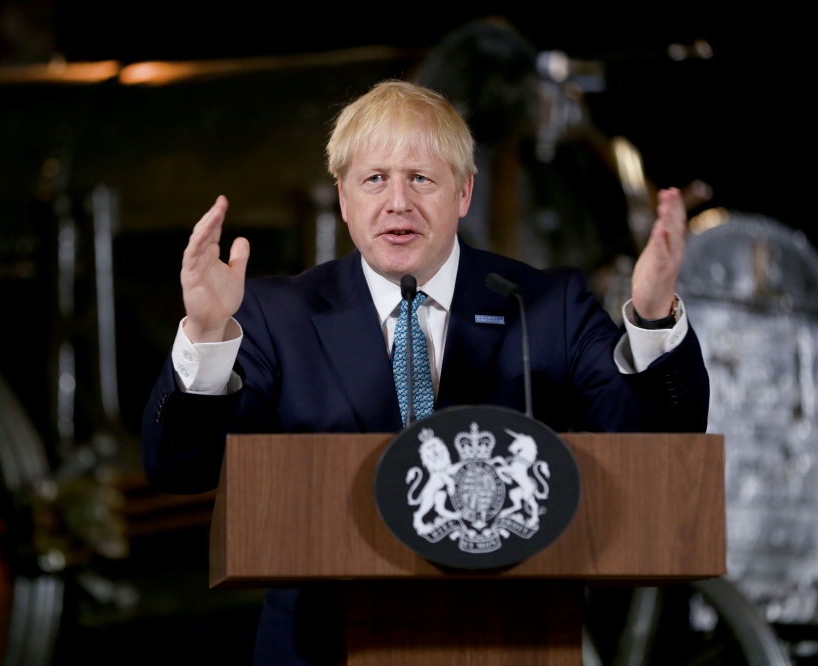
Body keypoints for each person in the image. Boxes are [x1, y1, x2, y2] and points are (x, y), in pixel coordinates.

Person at [142, 80, 709, 665]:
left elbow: (657, 449)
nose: (397, 203)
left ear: (464, 192)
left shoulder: (542, 304)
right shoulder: (276, 314)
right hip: (320, 647)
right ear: (343, 197)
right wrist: (207, 336)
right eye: (374, 179)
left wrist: (650, 318)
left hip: (510, 640)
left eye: (421, 178)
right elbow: (179, 466)